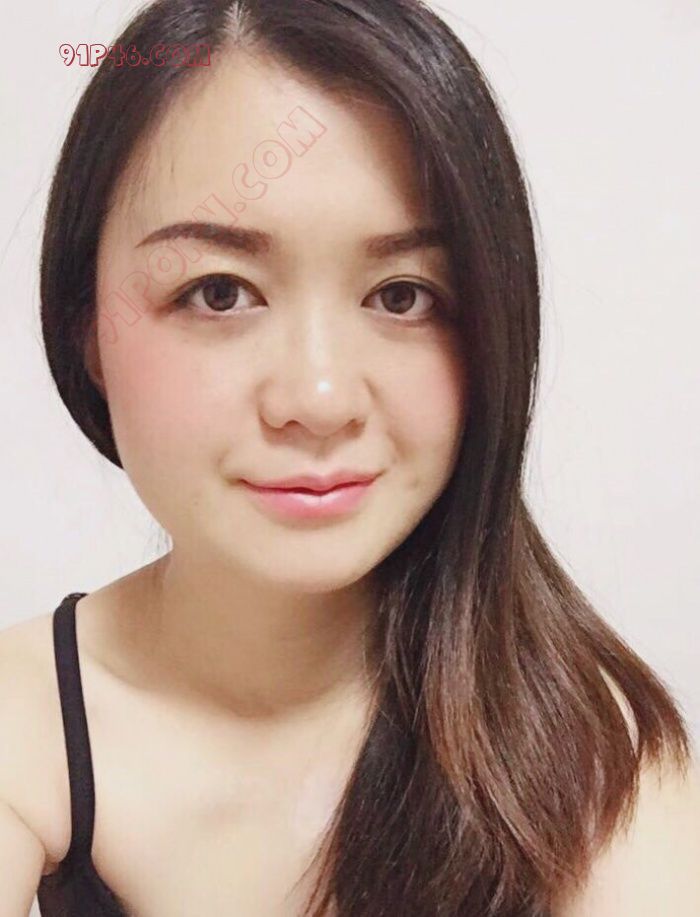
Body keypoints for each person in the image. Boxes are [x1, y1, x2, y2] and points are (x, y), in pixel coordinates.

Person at [2, 0, 698, 914]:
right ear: (86, 326)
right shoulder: (23, 724)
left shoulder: (586, 751)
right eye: (220, 292)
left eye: (402, 296)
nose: (320, 399)